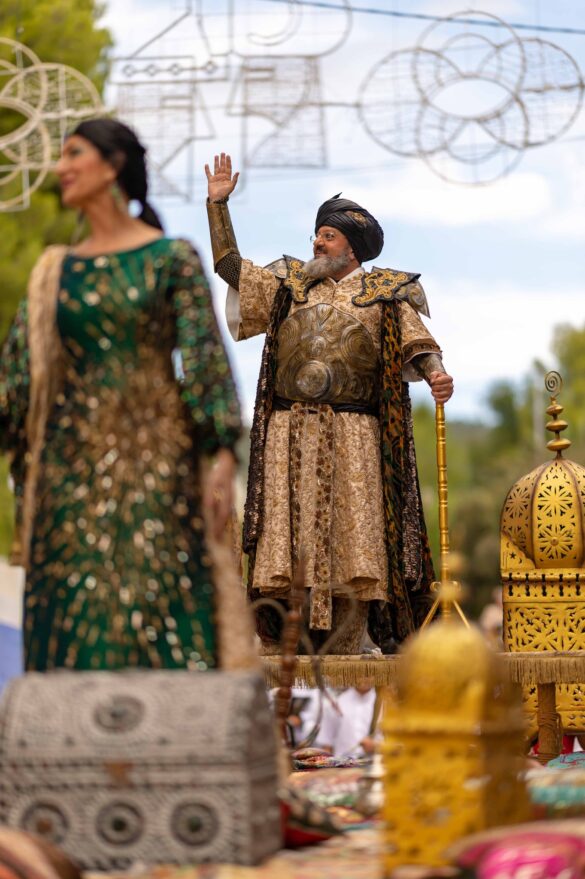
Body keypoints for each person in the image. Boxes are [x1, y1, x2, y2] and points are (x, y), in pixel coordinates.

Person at [0, 120, 242, 671]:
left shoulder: (171, 258)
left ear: (112, 166)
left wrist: (222, 454)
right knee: (76, 615)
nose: (60, 168)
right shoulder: (53, 272)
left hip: (158, 465)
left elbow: (205, 361)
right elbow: (14, 383)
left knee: (161, 608)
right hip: (69, 472)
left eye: (74, 154)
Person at [204, 153, 454, 654]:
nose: (317, 242)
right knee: (285, 539)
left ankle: (354, 639)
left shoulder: (387, 293)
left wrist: (436, 375)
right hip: (288, 431)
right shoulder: (289, 285)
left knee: (356, 541)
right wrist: (218, 207)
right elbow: (231, 268)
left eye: (329, 235)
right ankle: (287, 642)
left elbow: (418, 344)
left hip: (355, 433)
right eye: (317, 233)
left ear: (352, 247)